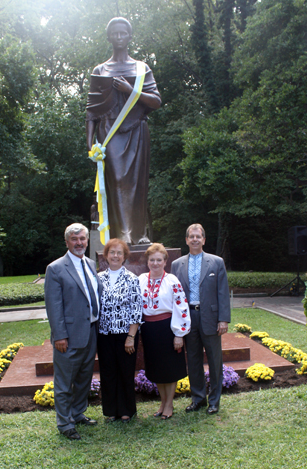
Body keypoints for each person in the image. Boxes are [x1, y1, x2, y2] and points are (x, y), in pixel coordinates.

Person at [86, 17, 161, 245]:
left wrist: (131, 91)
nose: (119, 37)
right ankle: (123, 234)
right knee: (117, 180)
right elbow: (91, 111)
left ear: (129, 36)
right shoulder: (101, 69)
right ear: (109, 37)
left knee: (138, 184)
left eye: (123, 33)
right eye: (115, 33)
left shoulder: (141, 68)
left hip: (137, 130)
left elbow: (156, 101)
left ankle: (139, 234)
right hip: (110, 132)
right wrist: (90, 144)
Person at [44, 223, 102, 440]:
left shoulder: (90, 263)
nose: (79, 243)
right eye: (74, 239)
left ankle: (78, 414)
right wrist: (59, 335)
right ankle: (64, 423)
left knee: (84, 378)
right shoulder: (56, 268)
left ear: (87, 241)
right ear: (67, 242)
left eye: (82, 239)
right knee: (64, 382)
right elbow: (54, 305)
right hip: (68, 337)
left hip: (91, 332)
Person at [171, 224, 231, 415]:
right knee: (194, 360)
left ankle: (214, 401)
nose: (195, 239)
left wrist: (223, 319)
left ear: (204, 240)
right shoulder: (176, 265)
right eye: (191, 236)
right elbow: (174, 295)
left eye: (198, 236)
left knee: (214, 361)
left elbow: (222, 292)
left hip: (211, 318)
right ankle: (198, 399)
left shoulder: (216, 262)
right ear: (186, 240)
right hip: (188, 318)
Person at [138, 243, 191, 420]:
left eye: (158, 260)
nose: (155, 263)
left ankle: (169, 404)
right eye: (152, 260)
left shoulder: (172, 280)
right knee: (157, 368)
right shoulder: (141, 280)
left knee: (170, 368)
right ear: (147, 261)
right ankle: (162, 402)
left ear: (165, 262)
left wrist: (179, 333)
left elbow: (181, 306)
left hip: (168, 328)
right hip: (149, 330)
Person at [97, 239, 143, 423]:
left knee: (125, 371)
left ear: (124, 257)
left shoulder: (132, 279)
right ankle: (111, 411)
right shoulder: (98, 278)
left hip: (126, 334)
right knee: (108, 372)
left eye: (119, 253)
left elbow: (136, 309)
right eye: (112, 252)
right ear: (106, 256)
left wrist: (131, 337)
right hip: (104, 334)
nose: (115, 256)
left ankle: (126, 410)